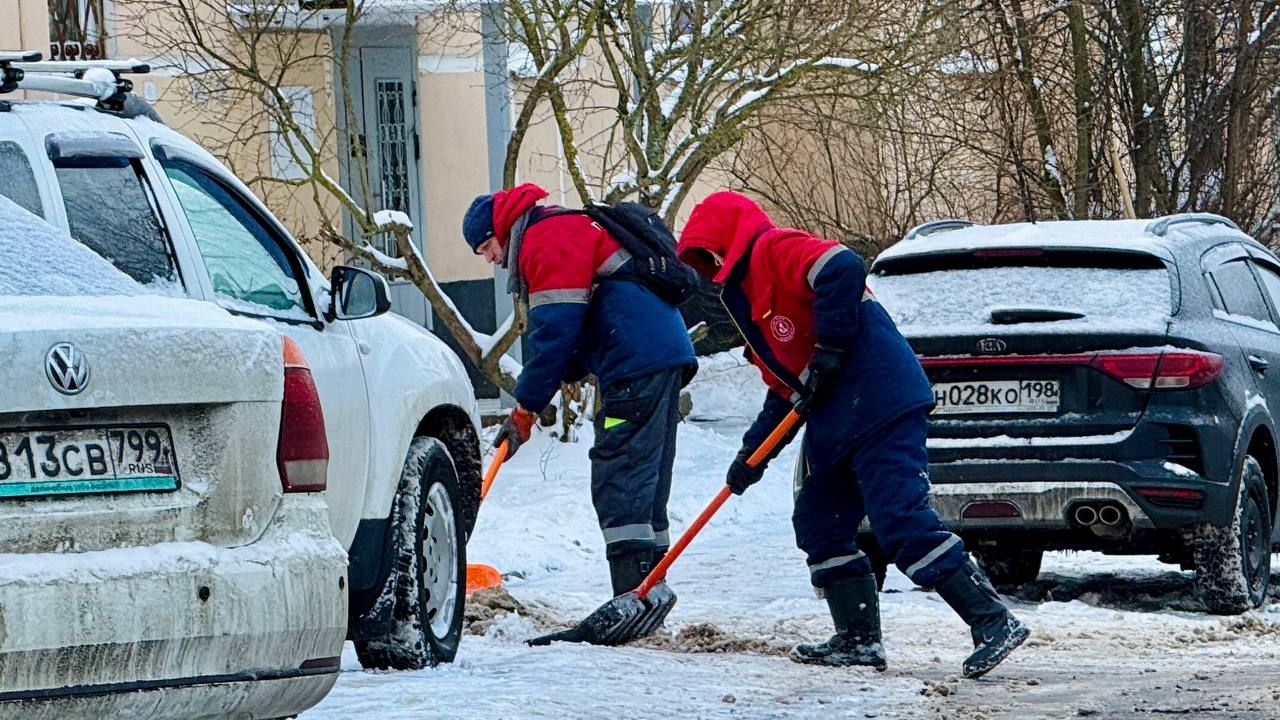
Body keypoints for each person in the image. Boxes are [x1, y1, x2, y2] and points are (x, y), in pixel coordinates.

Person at [675, 191, 1028, 679]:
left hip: (880, 400)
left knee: (900, 521)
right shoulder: (747, 299)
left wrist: (831, 349)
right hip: (837, 420)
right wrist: (749, 459)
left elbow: (840, 265)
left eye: (712, 251)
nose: (712, 263)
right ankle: (859, 640)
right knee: (820, 522)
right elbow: (785, 392)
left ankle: (993, 621)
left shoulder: (774, 249)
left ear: (728, 240)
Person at [461, 183, 698, 599]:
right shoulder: (563, 226)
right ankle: (650, 587)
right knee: (645, 475)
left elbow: (555, 332)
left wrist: (526, 407)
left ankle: (632, 594)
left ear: (499, 230)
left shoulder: (545, 238)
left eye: (487, 248)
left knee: (619, 470)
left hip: (634, 359)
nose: (492, 261)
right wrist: (561, 373)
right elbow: (573, 328)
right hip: (658, 354)